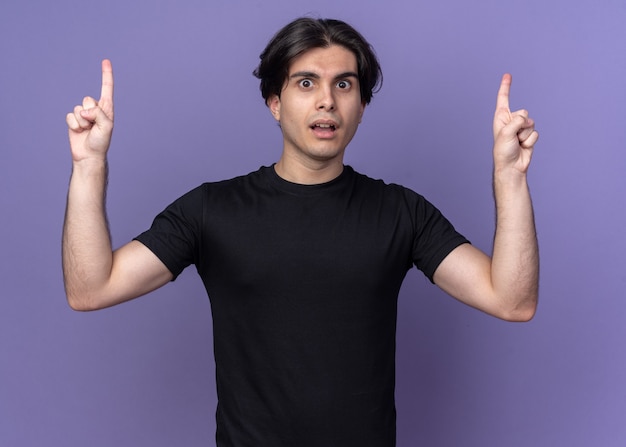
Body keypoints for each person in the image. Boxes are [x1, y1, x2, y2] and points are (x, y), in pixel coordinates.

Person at [63, 17, 539, 447]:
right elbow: (91, 288)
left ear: (361, 106)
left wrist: (510, 179)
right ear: (274, 102)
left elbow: (511, 300)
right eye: (306, 82)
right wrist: (89, 166)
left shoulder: (400, 212)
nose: (326, 100)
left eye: (344, 84)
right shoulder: (211, 209)